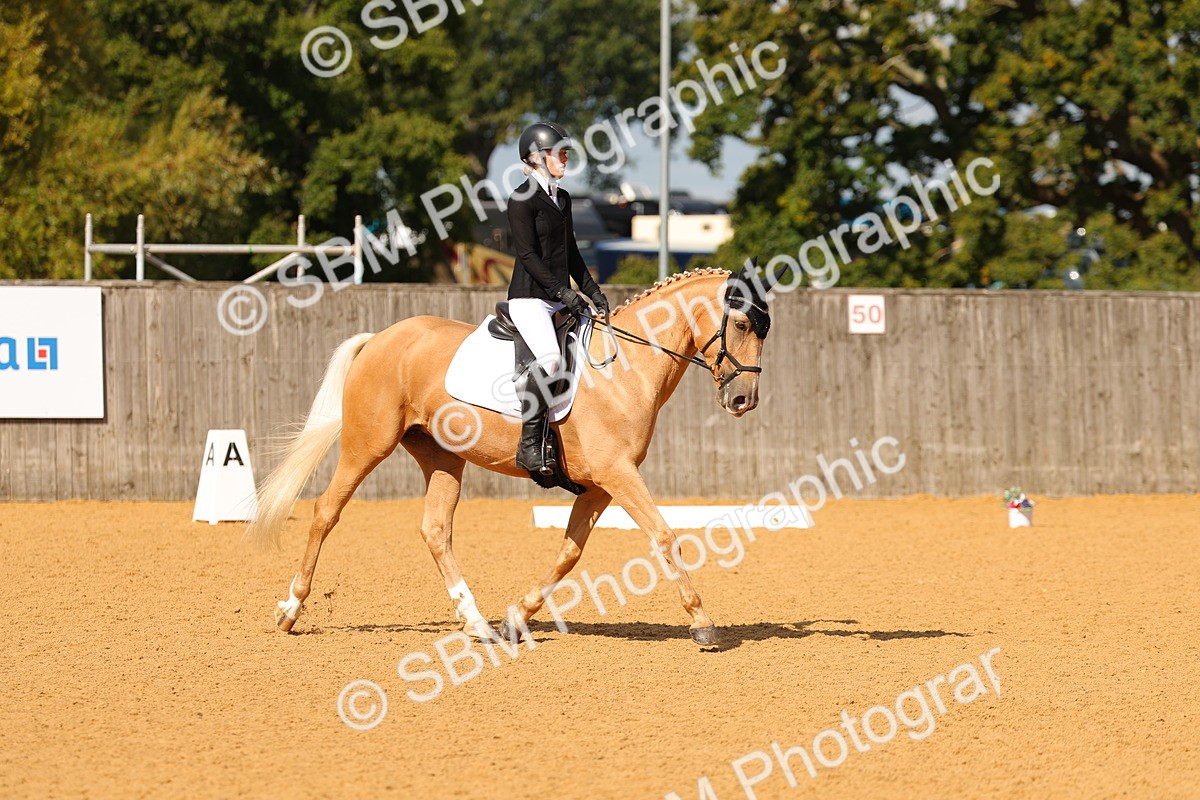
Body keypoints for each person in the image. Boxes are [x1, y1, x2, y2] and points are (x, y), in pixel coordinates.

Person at [506, 121, 609, 479]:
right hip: (530, 298)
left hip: (558, 299)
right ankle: (530, 444)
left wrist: (591, 291)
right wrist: (563, 291)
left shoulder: (562, 198)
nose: (565, 159)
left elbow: (572, 254)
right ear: (536, 158)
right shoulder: (521, 199)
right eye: (560, 153)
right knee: (550, 361)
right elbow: (528, 256)